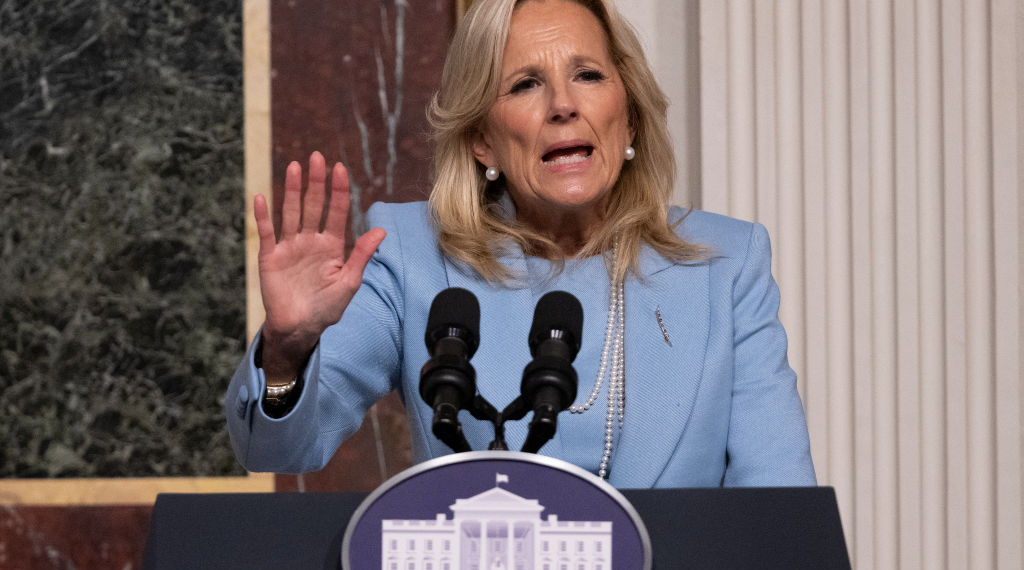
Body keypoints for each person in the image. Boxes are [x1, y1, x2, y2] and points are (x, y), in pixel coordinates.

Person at [225, 0, 816, 488]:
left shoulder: (727, 264)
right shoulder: (411, 255)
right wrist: (287, 350)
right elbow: (277, 449)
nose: (564, 105)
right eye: (526, 84)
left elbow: (779, 509)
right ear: (482, 139)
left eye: (588, 75)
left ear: (629, 116)